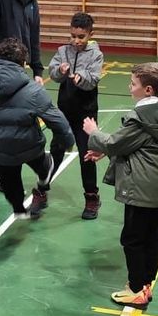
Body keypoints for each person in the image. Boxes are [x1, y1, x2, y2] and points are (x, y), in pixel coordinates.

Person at [82, 63, 158, 308]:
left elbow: (116, 142)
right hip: (157, 186)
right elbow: (136, 145)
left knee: (133, 239)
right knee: (151, 237)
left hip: (140, 187)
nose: (129, 87)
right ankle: (145, 284)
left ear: (147, 89)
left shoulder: (141, 117)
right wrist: (106, 153)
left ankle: (137, 289)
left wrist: (94, 133)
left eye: (133, 83)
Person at [0, 39, 73, 219]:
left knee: (10, 181)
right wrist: (67, 140)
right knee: (38, 159)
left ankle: (18, 209)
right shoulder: (33, 90)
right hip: (28, 145)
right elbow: (56, 119)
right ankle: (44, 169)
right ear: (23, 63)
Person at [49, 13, 104, 219]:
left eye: (81, 37)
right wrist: (60, 71)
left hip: (86, 113)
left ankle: (91, 197)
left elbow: (94, 79)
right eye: (73, 36)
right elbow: (53, 73)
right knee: (56, 149)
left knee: (86, 154)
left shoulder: (95, 55)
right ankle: (42, 189)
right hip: (65, 111)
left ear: (90, 34)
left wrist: (81, 78)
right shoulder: (63, 51)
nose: (76, 41)